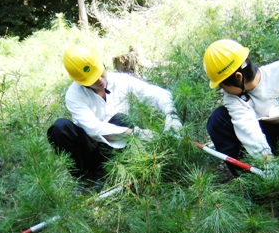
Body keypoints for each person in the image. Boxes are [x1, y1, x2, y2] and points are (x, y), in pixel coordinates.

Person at [47, 44, 182, 183]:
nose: (99, 80)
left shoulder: (121, 80)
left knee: (120, 119)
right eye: (92, 80)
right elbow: (95, 129)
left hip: (121, 148)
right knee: (60, 128)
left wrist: (171, 115)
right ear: (80, 81)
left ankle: (119, 171)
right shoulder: (74, 95)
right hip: (92, 150)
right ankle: (85, 180)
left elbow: (156, 94)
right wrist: (137, 134)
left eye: (100, 73)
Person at [203, 39, 279, 176]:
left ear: (238, 77)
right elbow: (249, 131)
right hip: (269, 137)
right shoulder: (232, 98)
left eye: (222, 84)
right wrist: (268, 164)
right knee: (218, 119)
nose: (221, 88)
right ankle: (250, 181)